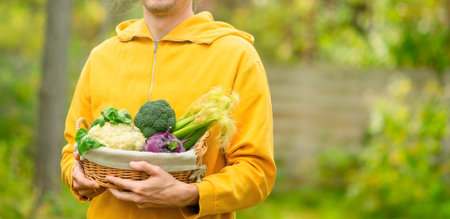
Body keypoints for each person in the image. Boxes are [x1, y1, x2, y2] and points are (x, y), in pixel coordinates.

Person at [61, 0, 276, 218]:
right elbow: (72, 149)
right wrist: (74, 174)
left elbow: (256, 171)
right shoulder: (101, 57)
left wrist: (192, 194)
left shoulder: (237, 56)